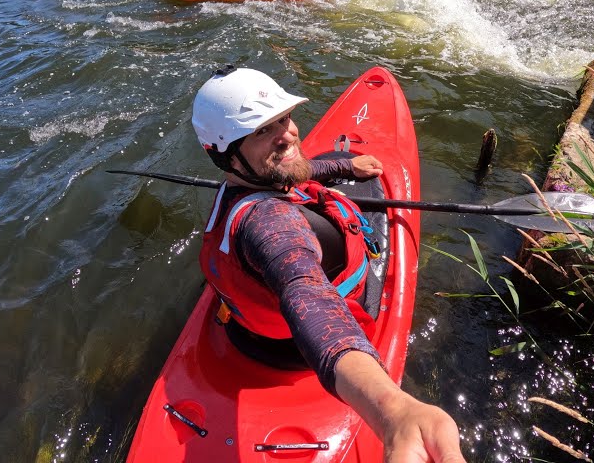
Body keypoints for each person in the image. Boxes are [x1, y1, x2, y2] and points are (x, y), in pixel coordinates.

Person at [190, 65, 466, 462]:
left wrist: (342, 167)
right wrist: (394, 410)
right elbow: (308, 296)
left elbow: (289, 176)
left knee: (315, 173)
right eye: (261, 131)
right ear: (226, 156)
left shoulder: (239, 186)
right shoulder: (272, 224)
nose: (287, 134)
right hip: (303, 350)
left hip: (247, 335)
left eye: (283, 119)